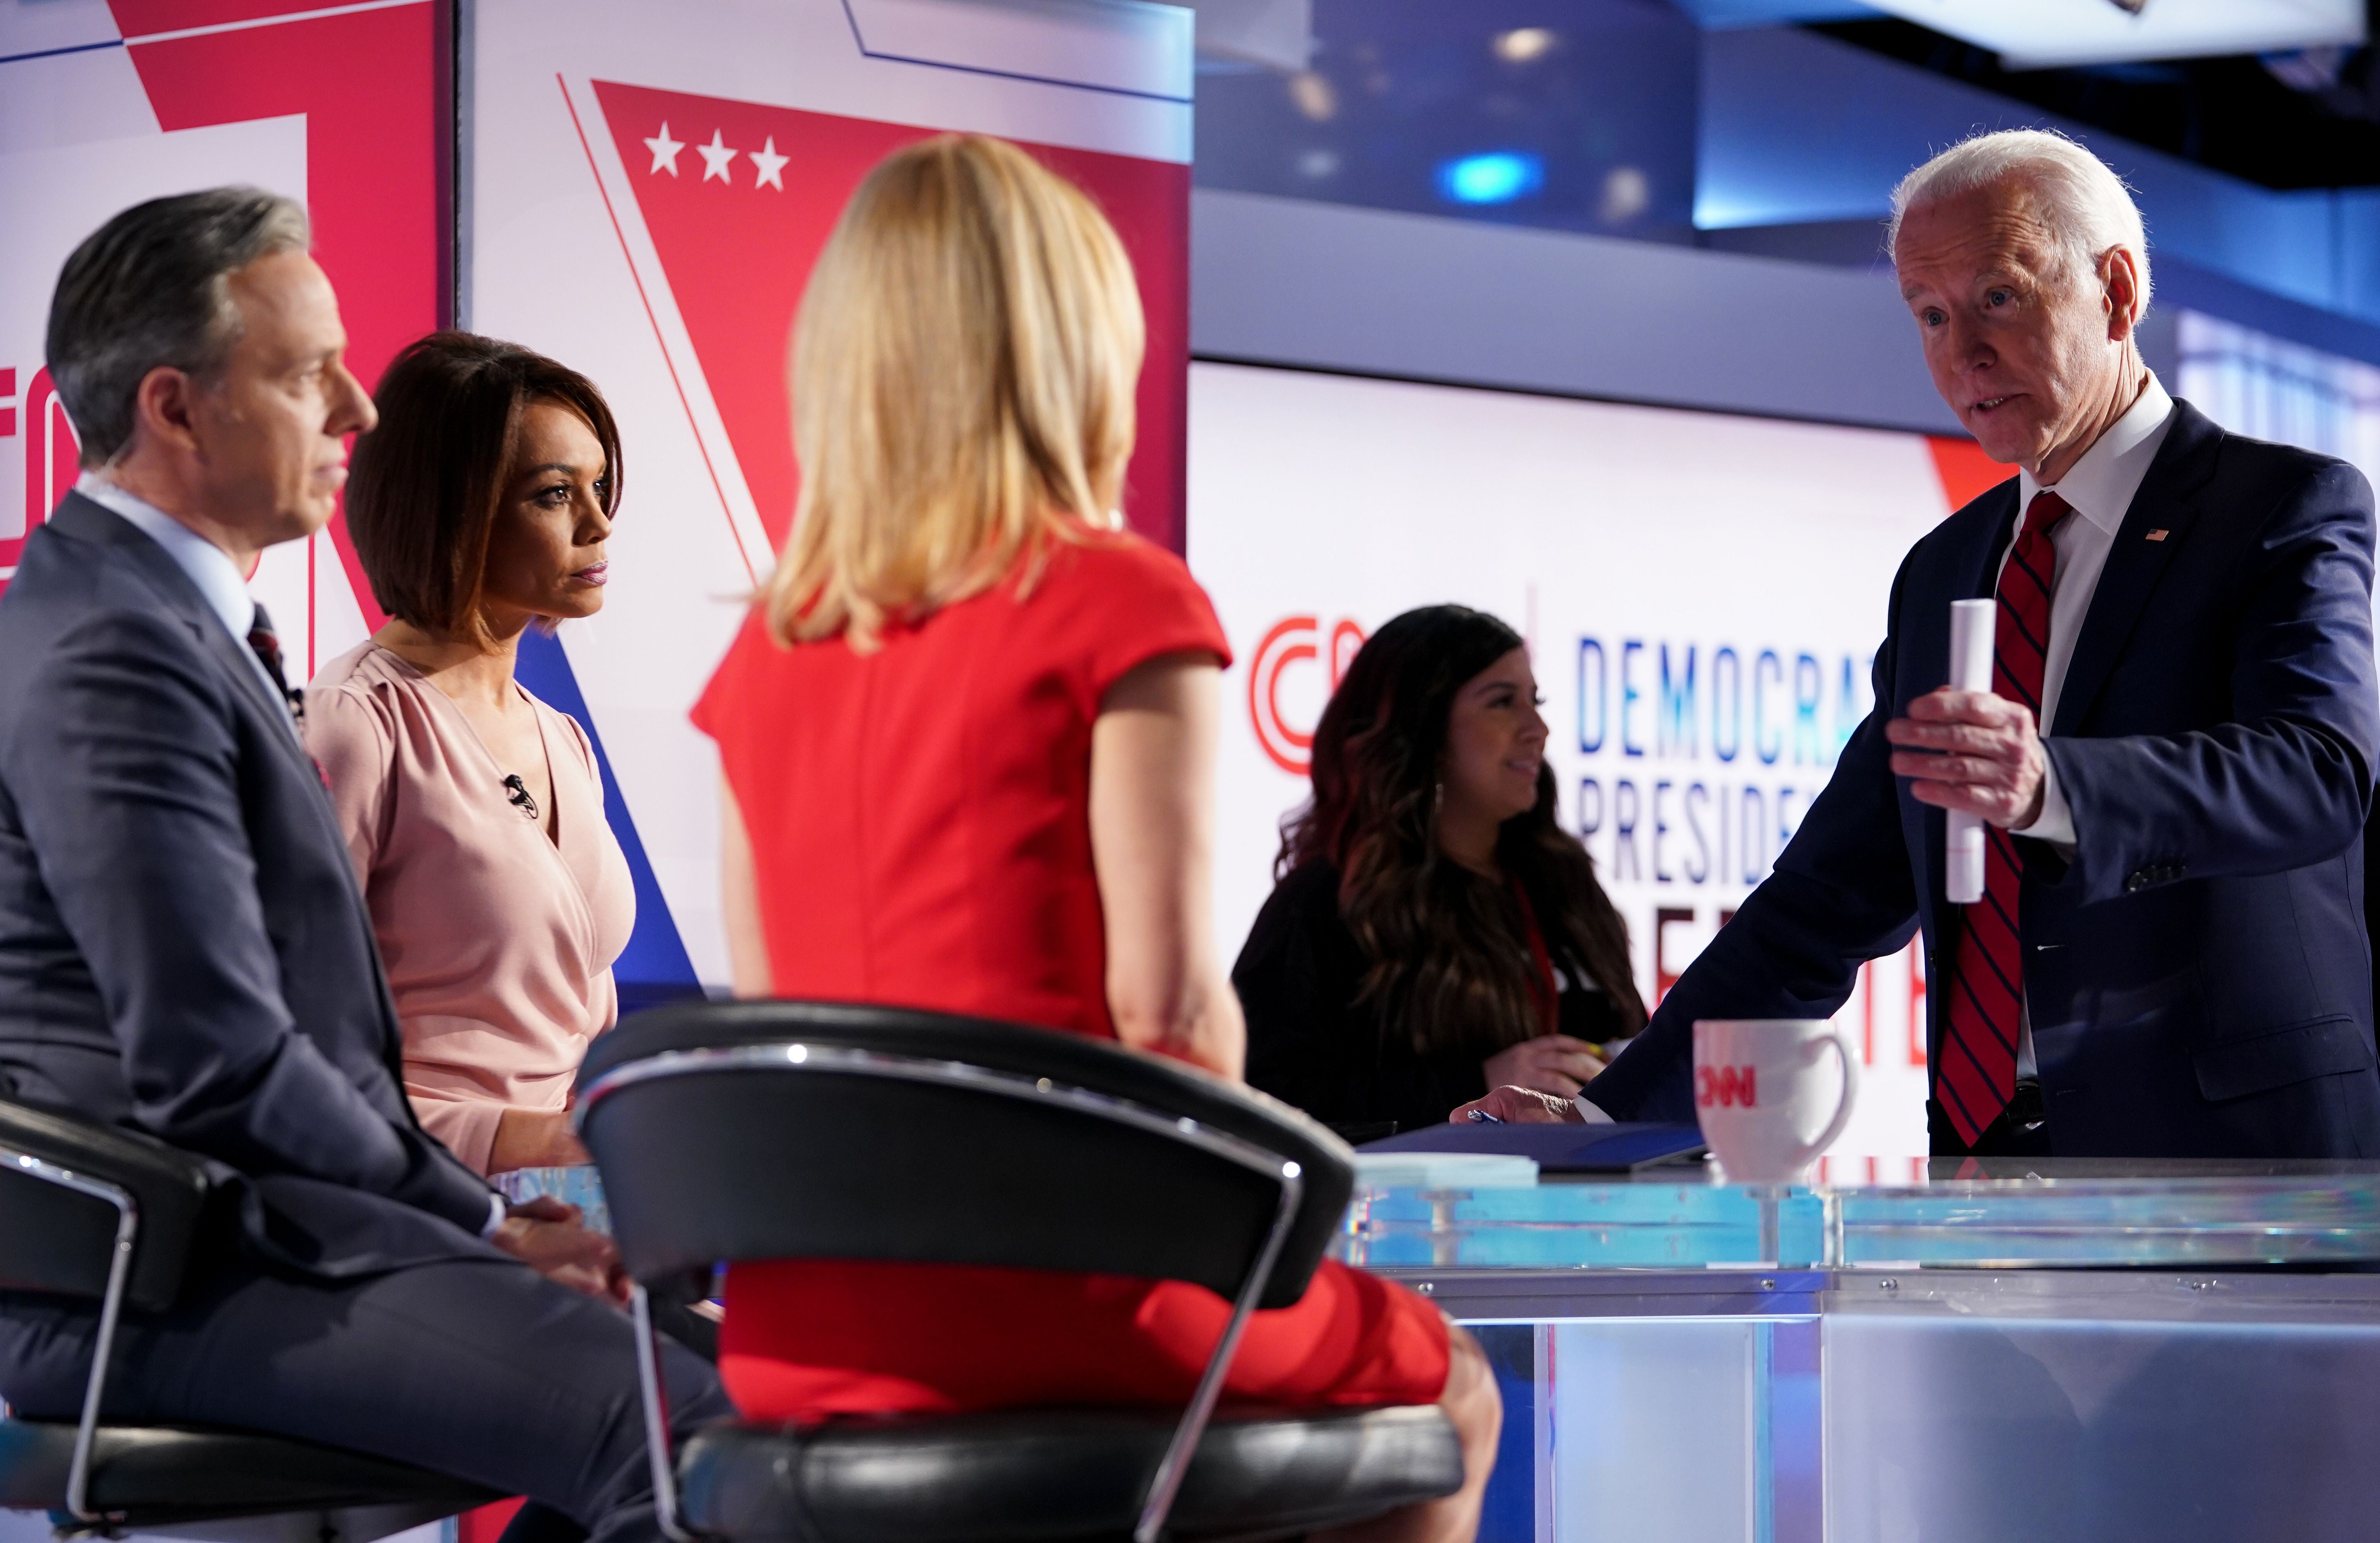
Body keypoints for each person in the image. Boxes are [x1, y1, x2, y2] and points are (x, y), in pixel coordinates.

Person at [690, 136, 1500, 1543]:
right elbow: (1175, 1012)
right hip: (1075, 1291)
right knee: (1456, 1394)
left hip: (797, 1324)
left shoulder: (768, 648)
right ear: (1074, 349)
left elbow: (782, 1035)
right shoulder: (1119, 602)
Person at [0, 188, 727, 1539]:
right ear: (174, 408)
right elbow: (219, 1061)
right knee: (686, 1436)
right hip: (162, 1273)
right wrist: (491, 1224)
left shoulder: (163, 620)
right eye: (303, 374)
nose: (359, 410)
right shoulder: (117, 648)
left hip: (251, 1236)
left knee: (733, 1383)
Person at [1462, 128, 2380, 1160]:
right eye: (1931, 316)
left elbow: (2318, 775)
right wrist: (1598, 1121)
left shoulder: (2280, 505)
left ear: (2117, 292)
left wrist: (2053, 790)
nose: (1960, 354)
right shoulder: (1945, 570)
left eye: (1999, 298)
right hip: (1993, 1168)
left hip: (2241, 1170)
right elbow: (1828, 897)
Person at [306, 333, 634, 1178]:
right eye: (555, 495)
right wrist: (517, 1142)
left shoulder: (563, 736)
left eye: (600, 489)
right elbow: (292, 1051)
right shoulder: (352, 723)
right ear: (451, 510)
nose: (599, 524)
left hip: (574, 1195)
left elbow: (573, 1026)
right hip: (414, 1203)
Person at [1234, 605, 1644, 1136]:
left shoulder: (1564, 884)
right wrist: (1476, 1083)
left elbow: (1634, 1041)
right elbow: (1269, 1096)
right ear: (1423, 728)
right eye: (1502, 702)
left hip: (1590, 1214)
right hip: (1415, 1217)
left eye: (1535, 700)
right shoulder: (1330, 900)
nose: (1537, 728)